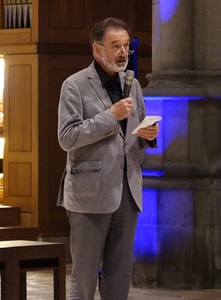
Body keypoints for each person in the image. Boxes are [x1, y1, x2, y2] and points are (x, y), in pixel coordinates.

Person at [57, 17, 159, 300]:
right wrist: (109, 116)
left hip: (127, 193)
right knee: (85, 277)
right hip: (89, 194)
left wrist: (149, 134)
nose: (123, 52)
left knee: (119, 279)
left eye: (126, 46)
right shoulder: (75, 85)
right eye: (116, 46)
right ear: (97, 49)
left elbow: (132, 133)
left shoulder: (133, 84)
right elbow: (67, 137)